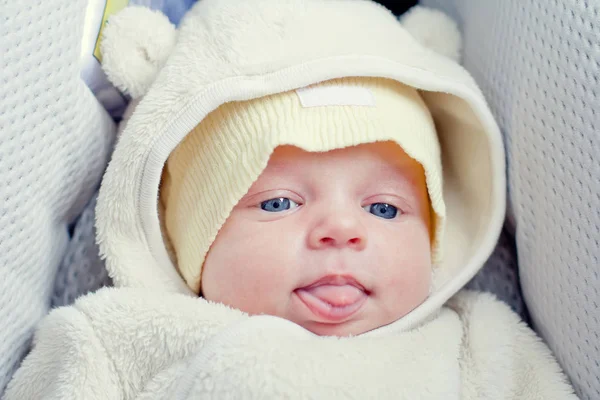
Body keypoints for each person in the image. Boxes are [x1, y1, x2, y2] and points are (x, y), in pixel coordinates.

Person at [4, 1, 577, 398]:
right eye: (279, 203)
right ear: (191, 243)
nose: (341, 231)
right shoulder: (118, 338)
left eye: (383, 209)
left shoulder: (478, 345)